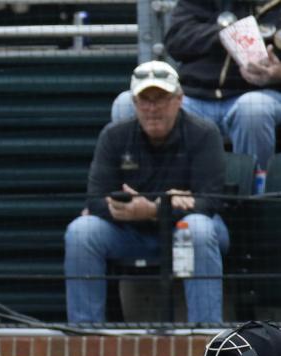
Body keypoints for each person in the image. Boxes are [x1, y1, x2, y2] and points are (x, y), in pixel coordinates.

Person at [64, 61, 228, 326]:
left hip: (186, 229)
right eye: (145, 100)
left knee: (197, 227)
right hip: (131, 231)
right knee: (81, 232)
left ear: (179, 100)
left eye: (161, 99)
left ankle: (205, 336)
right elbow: (94, 199)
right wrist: (141, 208)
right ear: (134, 102)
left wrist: (154, 209)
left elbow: (212, 201)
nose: (152, 108)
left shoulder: (205, 133)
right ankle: (85, 334)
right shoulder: (114, 135)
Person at [113, 0, 281, 189]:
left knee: (253, 109)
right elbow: (176, 41)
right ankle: (134, 193)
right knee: (126, 104)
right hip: (194, 97)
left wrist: (278, 74)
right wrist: (226, 35)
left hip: (257, 95)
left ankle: (254, 198)